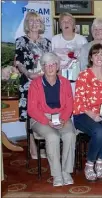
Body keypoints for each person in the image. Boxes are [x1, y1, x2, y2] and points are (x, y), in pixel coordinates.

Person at [27, 52, 76, 187]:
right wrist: (46, 120)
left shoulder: (65, 82)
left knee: (70, 135)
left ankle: (66, 172)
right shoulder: (35, 84)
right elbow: (32, 109)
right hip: (41, 118)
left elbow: (69, 105)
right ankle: (57, 174)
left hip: (61, 117)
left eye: (53, 64)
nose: (50, 67)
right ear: (42, 67)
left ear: (58, 66)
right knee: (52, 137)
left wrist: (64, 119)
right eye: (46, 65)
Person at [73, 44, 102, 182]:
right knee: (99, 131)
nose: (99, 57)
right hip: (84, 114)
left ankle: (100, 162)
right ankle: (89, 164)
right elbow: (79, 101)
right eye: (96, 54)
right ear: (91, 58)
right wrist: (93, 116)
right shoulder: (83, 75)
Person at [15, 11, 52, 159]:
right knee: (30, 114)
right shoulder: (21, 41)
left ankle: (42, 145)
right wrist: (28, 74)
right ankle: (32, 147)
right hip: (28, 82)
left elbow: (51, 62)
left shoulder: (47, 43)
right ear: (27, 24)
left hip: (44, 83)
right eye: (31, 21)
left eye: (37, 21)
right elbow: (18, 62)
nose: (34, 24)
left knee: (44, 113)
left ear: (41, 24)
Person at [51, 12, 88, 79]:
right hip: (59, 78)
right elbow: (50, 61)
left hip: (78, 78)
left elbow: (86, 61)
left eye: (69, 21)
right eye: (63, 21)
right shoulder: (54, 40)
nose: (66, 23)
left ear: (74, 25)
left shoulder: (82, 40)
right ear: (60, 26)